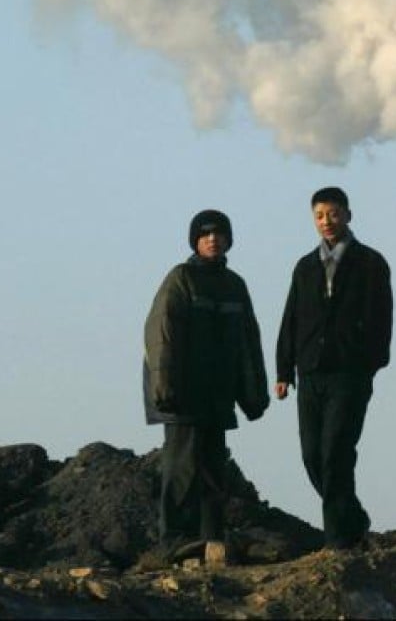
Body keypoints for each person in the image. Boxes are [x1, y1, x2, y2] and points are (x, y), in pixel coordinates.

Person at [143, 209, 269, 566]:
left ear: (229, 239)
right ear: (195, 241)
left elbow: (249, 341)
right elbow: (160, 334)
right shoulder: (181, 279)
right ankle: (173, 541)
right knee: (181, 465)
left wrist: (252, 393)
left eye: (219, 233)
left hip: (218, 393)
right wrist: (163, 385)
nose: (213, 239)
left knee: (214, 468)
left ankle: (211, 538)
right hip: (183, 393)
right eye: (205, 233)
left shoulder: (234, 285)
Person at [275, 187, 393, 550]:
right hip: (309, 372)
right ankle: (353, 519)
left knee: (336, 450)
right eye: (320, 215)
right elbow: (291, 318)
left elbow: (382, 319)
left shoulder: (371, 263)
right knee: (313, 455)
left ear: (348, 215)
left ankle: (338, 540)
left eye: (334, 214)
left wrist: (369, 364)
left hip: (349, 373)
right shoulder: (305, 266)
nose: (327, 222)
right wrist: (283, 370)